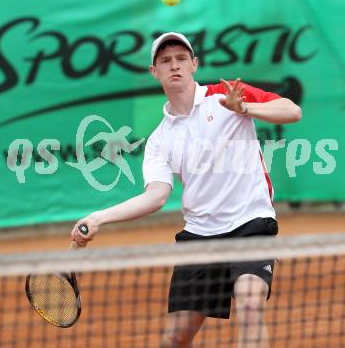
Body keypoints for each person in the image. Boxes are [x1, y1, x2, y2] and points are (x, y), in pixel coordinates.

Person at [71, 32, 302, 347]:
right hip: (200, 237)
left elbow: (292, 111)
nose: (174, 65)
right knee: (176, 338)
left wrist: (244, 108)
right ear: (155, 72)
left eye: (181, 58)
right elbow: (156, 197)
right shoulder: (160, 139)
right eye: (165, 61)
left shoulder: (227, 95)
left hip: (251, 222)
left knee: (249, 304)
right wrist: (99, 217)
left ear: (194, 64)